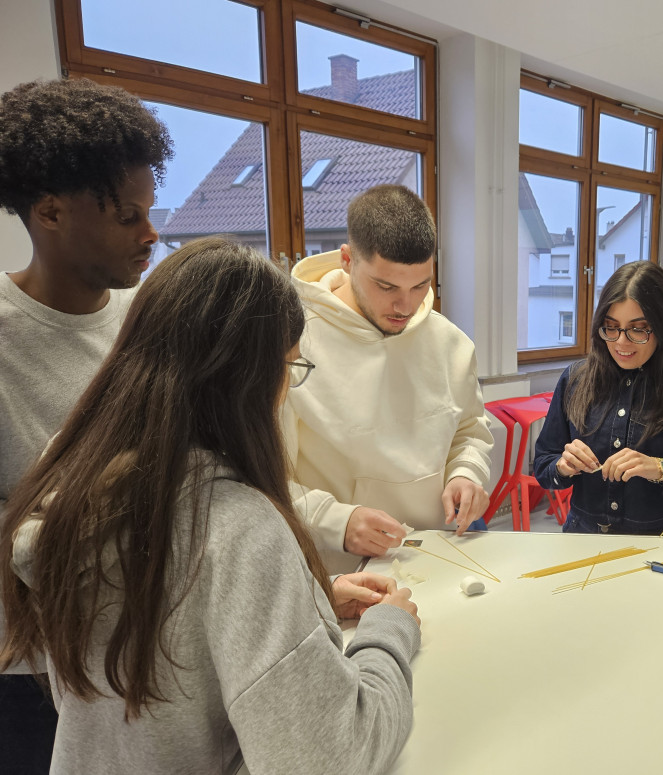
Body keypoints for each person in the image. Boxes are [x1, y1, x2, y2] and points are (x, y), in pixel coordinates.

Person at [0, 237, 422, 773]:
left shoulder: (76, 476)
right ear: (248, 379)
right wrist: (388, 632)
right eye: (289, 368)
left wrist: (302, 602)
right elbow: (331, 756)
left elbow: (170, 625)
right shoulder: (238, 527)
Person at [0, 77, 171, 774]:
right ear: (50, 212)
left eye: (149, 211)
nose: (150, 234)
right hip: (31, 673)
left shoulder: (146, 323)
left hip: (142, 648)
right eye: (128, 216)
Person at [284, 184, 493, 571]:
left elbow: (470, 431)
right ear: (347, 260)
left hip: (438, 557)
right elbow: (264, 476)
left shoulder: (451, 343)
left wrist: (466, 473)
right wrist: (335, 522)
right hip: (340, 570)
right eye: (386, 286)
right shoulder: (292, 346)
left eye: (421, 285)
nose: (405, 306)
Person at [534, 261, 663, 535]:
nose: (621, 342)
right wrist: (562, 467)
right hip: (580, 535)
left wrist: (662, 469)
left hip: (661, 540)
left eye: (638, 329)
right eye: (611, 327)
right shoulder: (576, 379)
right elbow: (543, 466)